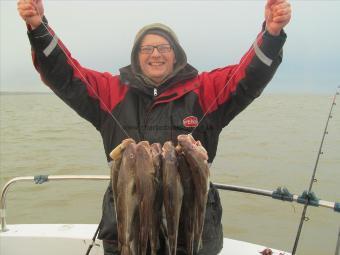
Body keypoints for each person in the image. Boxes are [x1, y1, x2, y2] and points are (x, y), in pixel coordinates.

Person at [17, 0, 291, 254]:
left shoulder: (205, 90)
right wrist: (38, 27)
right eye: (146, 49)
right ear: (137, 56)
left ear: (176, 55)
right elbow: (66, 76)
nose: (155, 54)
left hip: (192, 236)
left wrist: (271, 34)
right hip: (127, 231)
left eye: (163, 48)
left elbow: (246, 78)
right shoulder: (111, 91)